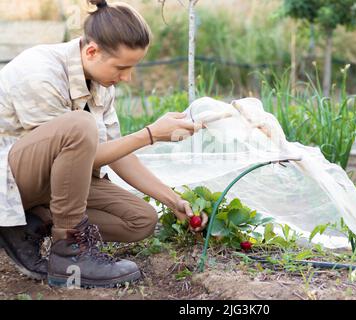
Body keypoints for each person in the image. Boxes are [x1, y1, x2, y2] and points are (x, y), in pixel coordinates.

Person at [0, 0, 208, 288]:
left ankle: (30, 223)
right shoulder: (40, 70)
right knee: (79, 124)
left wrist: (173, 201)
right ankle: (69, 251)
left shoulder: (99, 83)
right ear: (92, 51)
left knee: (141, 219)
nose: (127, 77)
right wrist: (150, 134)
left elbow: (116, 154)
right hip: (8, 180)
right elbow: (63, 153)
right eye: (122, 67)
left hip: (45, 185)